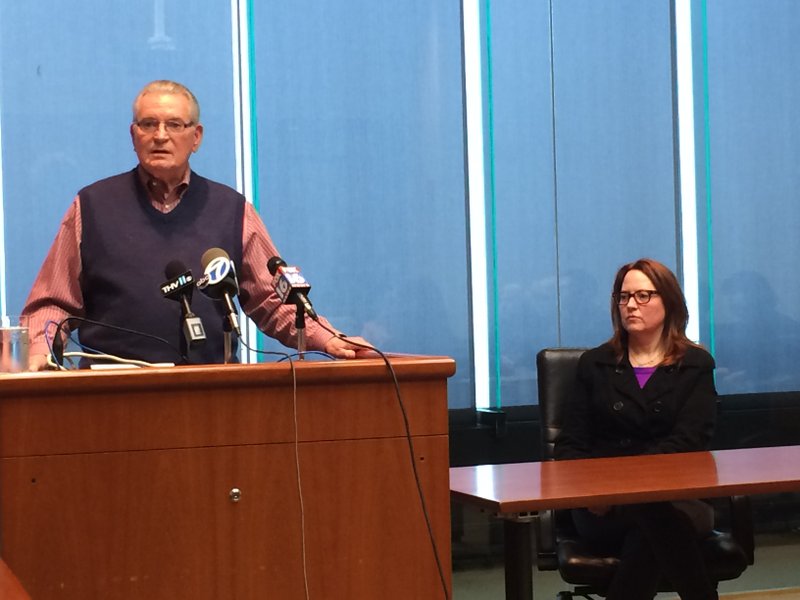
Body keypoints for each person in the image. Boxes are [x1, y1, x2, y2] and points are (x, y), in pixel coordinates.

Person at [21, 80, 368, 369]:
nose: (160, 135)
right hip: (111, 397)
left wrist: (328, 338)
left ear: (196, 136)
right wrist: (38, 353)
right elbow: (53, 304)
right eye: (148, 124)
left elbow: (271, 299)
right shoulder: (92, 205)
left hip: (211, 399)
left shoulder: (231, 209)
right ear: (133, 134)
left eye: (174, 124)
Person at [554, 258, 719, 600]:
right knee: (659, 526)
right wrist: (596, 493)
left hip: (677, 495)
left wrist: (630, 486)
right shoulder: (595, 364)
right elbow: (571, 443)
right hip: (601, 505)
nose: (630, 305)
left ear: (669, 302)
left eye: (643, 295)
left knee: (653, 518)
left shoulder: (695, 365)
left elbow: (690, 441)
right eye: (623, 296)